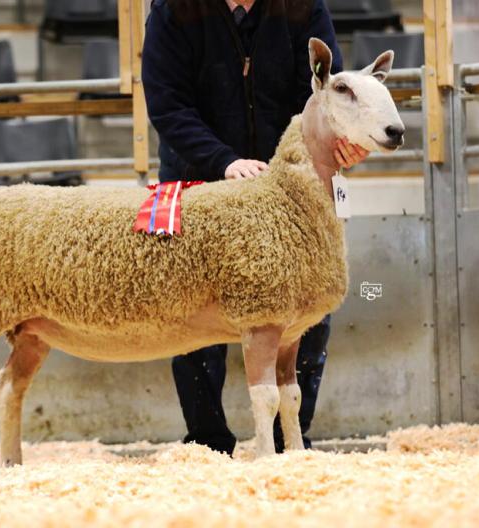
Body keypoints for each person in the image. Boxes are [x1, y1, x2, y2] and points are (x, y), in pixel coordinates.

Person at [142, 0, 369, 454]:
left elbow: (329, 93)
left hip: (284, 185)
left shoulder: (303, 7)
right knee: (191, 309)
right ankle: (207, 443)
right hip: (201, 180)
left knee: (307, 304)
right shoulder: (174, 9)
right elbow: (167, 105)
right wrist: (223, 161)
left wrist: (343, 145)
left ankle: (291, 435)